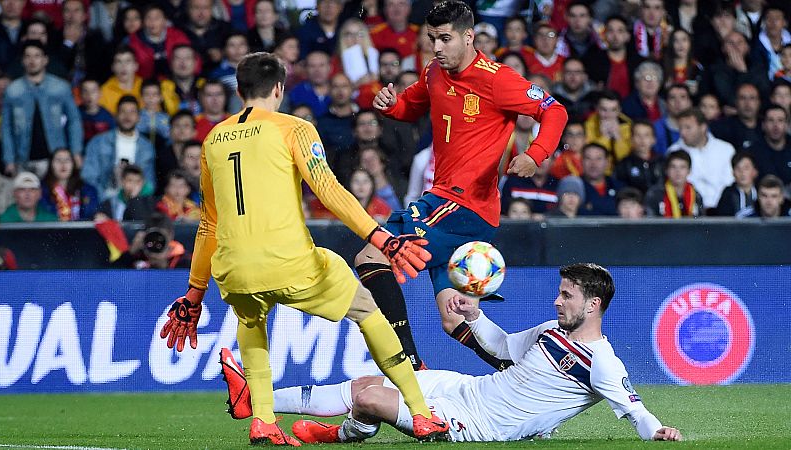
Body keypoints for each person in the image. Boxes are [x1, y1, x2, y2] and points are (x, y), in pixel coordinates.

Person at [160, 52, 450, 446]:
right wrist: (381, 237)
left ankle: (262, 420)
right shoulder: (294, 128)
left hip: (234, 268)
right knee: (367, 310)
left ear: (240, 91)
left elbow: (208, 223)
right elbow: (329, 191)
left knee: (251, 323)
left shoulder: (213, 139)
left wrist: (194, 295)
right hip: (290, 261)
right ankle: (421, 413)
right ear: (279, 88)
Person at [261, 263, 683, 444]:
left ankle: (342, 436)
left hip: (476, 424)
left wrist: (658, 430)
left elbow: (634, 410)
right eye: (559, 293)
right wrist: (475, 317)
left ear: (593, 305)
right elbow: (503, 347)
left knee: (370, 400)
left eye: (567, 296)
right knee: (365, 383)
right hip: (469, 389)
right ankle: (258, 401)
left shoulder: (603, 362)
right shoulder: (553, 330)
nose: (557, 301)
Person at [367, 0, 568, 371]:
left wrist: (536, 153)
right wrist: (390, 106)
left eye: (445, 39)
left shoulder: (497, 79)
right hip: (450, 209)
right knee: (453, 318)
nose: (437, 47)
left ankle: (411, 365)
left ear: (469, 36)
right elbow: (410, 106)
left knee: (371, 255)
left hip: (462, 206)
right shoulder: (433, 72)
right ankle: (523, 382)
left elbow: (554, 111)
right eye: (431, 39)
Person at [1, 40, 82, 178]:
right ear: (22, 61)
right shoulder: (12, 90)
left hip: (54, 157)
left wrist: (75, 151)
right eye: (28, 56)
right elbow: (6, 127)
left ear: (45, 60)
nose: (32, 60)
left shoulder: (61, 87)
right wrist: (9, 159)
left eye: (37, 56)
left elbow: (74, 121)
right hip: (23, 158)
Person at [82, 95, 157, 200]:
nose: (127, 116)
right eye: (123, 111)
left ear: (138, 117)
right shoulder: (98, 142)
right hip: (104, 200)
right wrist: (106, 199)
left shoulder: (147, 147)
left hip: (135, 203)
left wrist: (134, 198)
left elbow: (150, 184)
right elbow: (88, 176)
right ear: (116, 115)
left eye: (132, 112)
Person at [667, 108, 735, 211]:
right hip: (689, 212)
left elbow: (730, 182)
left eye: (688, 128)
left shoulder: (726, 149)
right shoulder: (673, 151)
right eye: (680, 128)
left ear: (703, 127)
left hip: (723, 211)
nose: (682, 133)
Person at [40, 148, 99, 221]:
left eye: (67, 160)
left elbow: (90, 215)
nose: (63, 164)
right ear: (51, 164)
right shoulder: (41, 190)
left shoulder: (88, 190)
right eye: (58, 160)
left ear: (73, 164)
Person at [644, 149, 703, 218]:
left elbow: (701, 224)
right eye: (673, 167)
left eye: (682, 167)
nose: (678, 171)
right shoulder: (654, 194)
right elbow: (649, 224)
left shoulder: (696, 195)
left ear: (689, 171)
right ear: (666, 170)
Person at [614, 120, 663, 194]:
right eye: (638, 135)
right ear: (631, 139)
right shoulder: (623, 165)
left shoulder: (663, 162)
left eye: (646, 135)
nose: (642, 140)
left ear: (654, 140)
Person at [579, 143, 622, 216]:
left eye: (598, 159)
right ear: (581, 162)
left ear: (607, 163)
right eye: (588, 158)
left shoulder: (619, 186)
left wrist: (592, 205)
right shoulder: (574, 186)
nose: (593, 164)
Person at [653, 84, 693, 155]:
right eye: (672, 98)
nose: (678, 101)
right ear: (666, 103)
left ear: (689, 102)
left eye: (682, 97)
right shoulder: (656, 128)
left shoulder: (699, 127)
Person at [715, 152, 759, 217]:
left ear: (755, 171)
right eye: (738, 169)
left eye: (746, 168)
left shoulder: (761, 191)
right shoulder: (727, 194)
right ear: (733, 173)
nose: (742, 173)